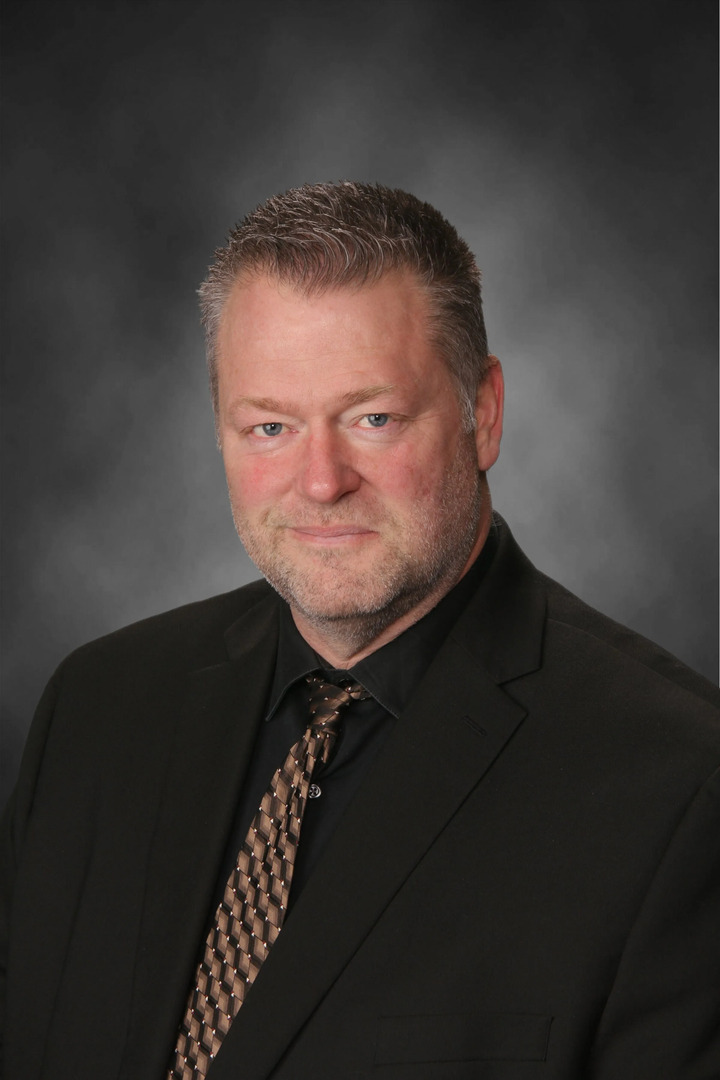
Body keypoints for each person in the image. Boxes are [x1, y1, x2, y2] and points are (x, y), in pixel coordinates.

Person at [1, 181, 718, 1080]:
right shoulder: (96, 711)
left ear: (484, 413)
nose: (321, 480)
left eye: (373, 419)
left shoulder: (680, 789)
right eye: (270, 426)